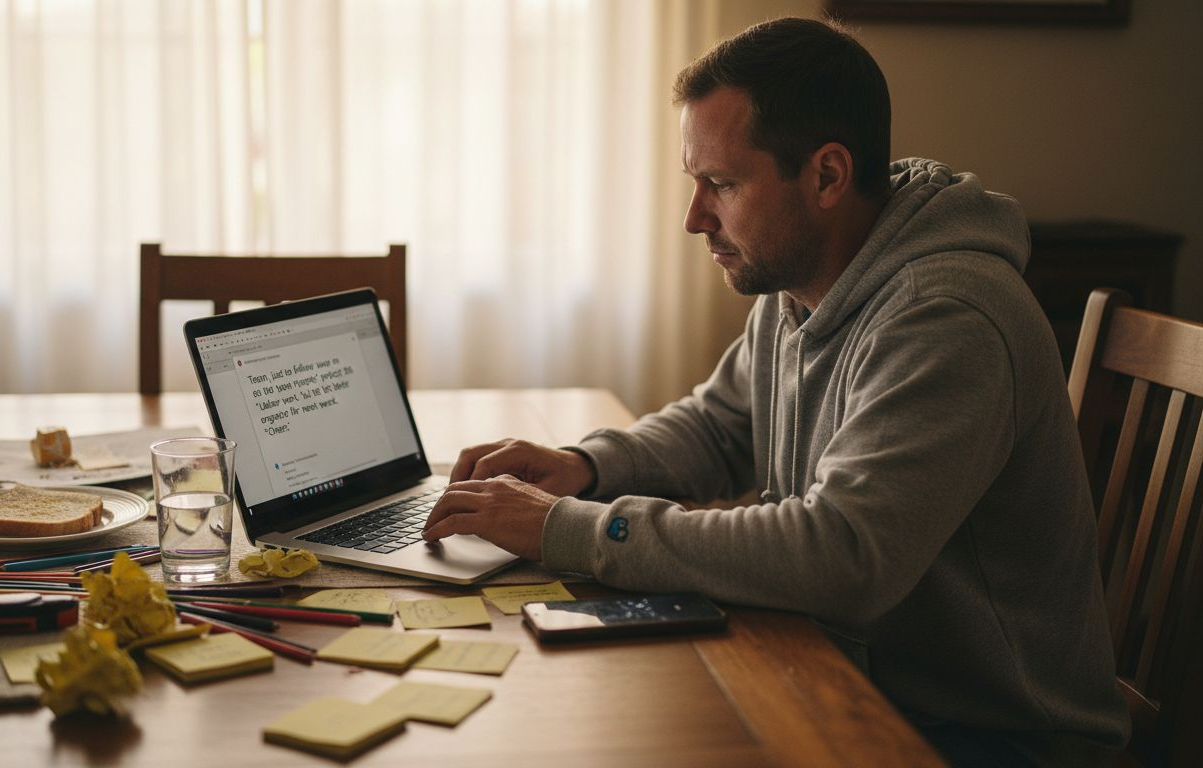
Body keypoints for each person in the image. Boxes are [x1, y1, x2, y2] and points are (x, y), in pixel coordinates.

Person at [422, 16, 1128, 768]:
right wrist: (585, 468)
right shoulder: (806, 279)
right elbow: (721, 426)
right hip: (850, 672)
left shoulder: (947, 315)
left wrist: (569, 528)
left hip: (992, 736)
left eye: (721, 184)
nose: (694, 218)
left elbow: (843, 555)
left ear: (826, 175)